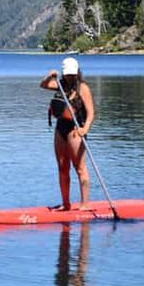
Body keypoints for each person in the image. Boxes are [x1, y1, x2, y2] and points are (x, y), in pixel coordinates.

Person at [40, 57, 95, 211]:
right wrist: (49, 76)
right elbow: (43, 85)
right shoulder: (60, 85)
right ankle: (66, 204)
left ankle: (85, 204)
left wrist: (85, 129)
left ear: (77, 72)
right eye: (67, 74)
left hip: (75, 130)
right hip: (61, 129)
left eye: (72, 74)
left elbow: (91, 113)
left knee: (80, 168)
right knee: (63, 168)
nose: (70, 77)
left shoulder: (83, 88)